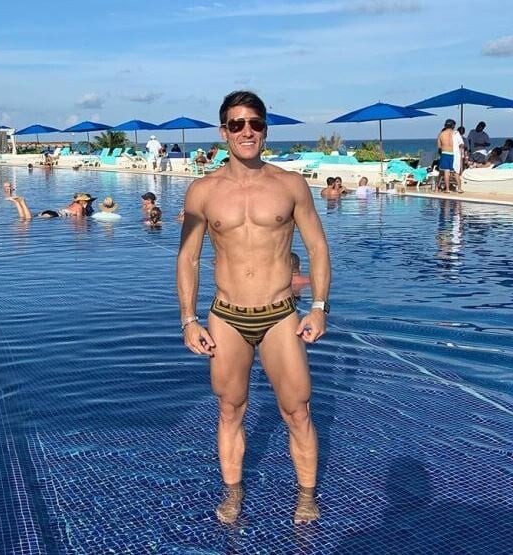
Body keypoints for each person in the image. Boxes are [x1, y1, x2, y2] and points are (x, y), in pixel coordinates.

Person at [177, 90, 331, 525]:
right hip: (226, 316)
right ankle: (233, 492)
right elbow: (188, 258)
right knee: (230, 409)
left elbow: (318, 248)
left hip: (280, 314)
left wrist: (319, 307)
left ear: (265, 130)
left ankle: (306, 495)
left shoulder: (290, 185)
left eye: (255, 123)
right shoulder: (203, 191)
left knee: (297, 410)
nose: (247, 131)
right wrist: (188, 320)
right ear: (223, 131)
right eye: (237, 124)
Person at [7, 192, 95, 220]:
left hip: (52, 212)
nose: (89, 202)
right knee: (28, 219)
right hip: (53, 215)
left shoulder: (73, 204)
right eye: (88, 201)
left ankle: (17, 202)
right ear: (83, 201)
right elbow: (80, 219)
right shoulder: (79, 207)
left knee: (23, 218)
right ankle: (22, 201)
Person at [437, 119, 462, 193]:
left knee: (446, 171)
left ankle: (447, 189)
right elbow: (461, 144)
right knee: (456, 171)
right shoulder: (455, 133)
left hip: (445, 153)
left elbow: (439, 147)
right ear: (453, 126)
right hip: (454, 154)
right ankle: (459, 188)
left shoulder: (441, 134)